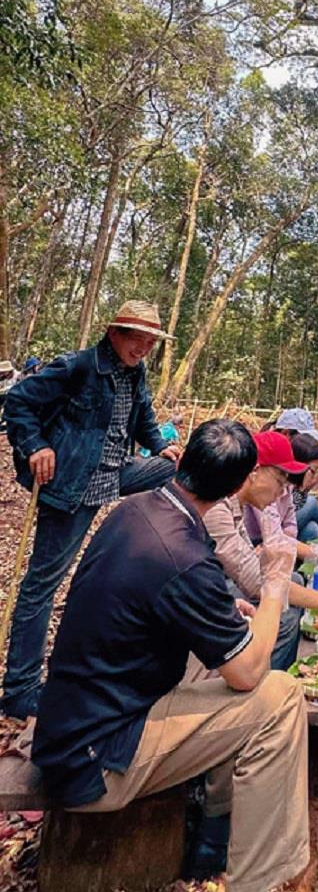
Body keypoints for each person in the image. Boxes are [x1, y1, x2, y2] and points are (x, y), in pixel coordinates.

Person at [31, 418, 318, 892]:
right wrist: (273, 585)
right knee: (277, 697)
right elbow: (247, 671)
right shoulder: (181, 554)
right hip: (96, 756)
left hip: (81, 720)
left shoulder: (138, 513)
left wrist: (228, 610)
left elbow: (161, 605)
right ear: (243, 482)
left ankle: (213, 839)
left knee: (229, 670)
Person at [1, 301, 181, 720]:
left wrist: (159, 446)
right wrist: (36, 446)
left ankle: (149, 547)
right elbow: (18, 404)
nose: (145, 348)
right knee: (41, 585)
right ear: (115, 333)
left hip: (116, 472)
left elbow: (144, 420)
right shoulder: (77, 367)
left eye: (151, 341)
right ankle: (20, 689)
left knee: (182, 470)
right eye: (138, 338)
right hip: (72, 485)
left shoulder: (135, 374)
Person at [205, 430, 318, 664]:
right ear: (254, 472)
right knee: (286, 611)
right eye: (279, 482)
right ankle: (266, 678)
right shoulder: (218, 509)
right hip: (207, 596)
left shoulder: (235, 506)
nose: (282, 492)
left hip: (219, 587)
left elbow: (280, 540)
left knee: (294, 585)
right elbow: (256, 582)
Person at [289, 432, 318, 543]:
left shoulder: (298, 484)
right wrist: (303, 489)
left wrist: (305, 489)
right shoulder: (282, 483)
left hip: (287, 533)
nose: (316, 476)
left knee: (312, 529)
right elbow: (286, 519)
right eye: (314, 471)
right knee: (312, 502)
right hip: (271, 536)